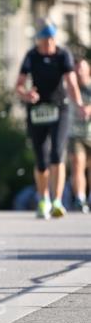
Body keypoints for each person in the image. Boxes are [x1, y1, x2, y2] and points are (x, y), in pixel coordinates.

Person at [15, 21, 89, 219]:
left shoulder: (63, 55)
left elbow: (71, 83)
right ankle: (43, 199)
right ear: (38, 40)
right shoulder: (31, 56)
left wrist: (79, 104)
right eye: (45, 40)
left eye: (51, 39)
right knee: (41, 159)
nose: (49, 43)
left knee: (57, 153)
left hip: (60, 109)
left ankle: (57, 201)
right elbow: (19, 85)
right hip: (37, 110)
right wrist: (26, 94)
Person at [67, 55, 91, 213]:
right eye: (76, 69)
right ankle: (80, 199)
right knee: (77, 164)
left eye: (82, 69)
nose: (79, 72)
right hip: (75, 134)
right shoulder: (69, 86)